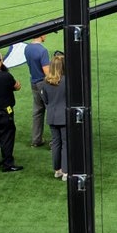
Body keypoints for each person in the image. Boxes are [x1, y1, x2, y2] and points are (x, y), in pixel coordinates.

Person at [36, 50, 68, 180]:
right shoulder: (66, 81)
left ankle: (57, 170)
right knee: (66, 144)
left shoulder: (44, 83)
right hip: (64, 117)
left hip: (51, 117)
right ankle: (66, 171)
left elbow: (46, 100)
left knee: (55, 143)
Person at [21, 35, 51, 149]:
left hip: (33, 82)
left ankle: (36, 139)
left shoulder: (27, 48)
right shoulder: (42, 50)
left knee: (37, 111)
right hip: (43, 83)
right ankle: (55, 142)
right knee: (51, 110)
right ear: (41, 35)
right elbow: (47, 72)